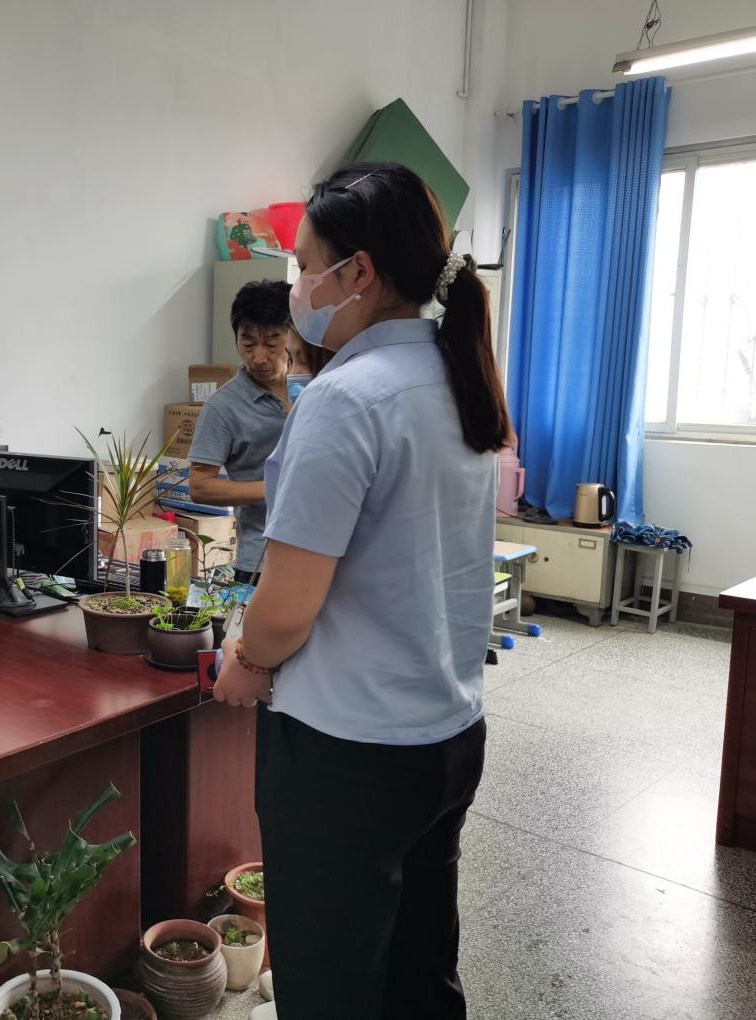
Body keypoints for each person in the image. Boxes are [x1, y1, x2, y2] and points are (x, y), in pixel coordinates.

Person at [213, 162, 511, 1019]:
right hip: (447, 731)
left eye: (307, 265)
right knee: (420, 970)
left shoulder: (345, 399)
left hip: (348, 756)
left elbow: (286, 608)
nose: (296, 287)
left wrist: (244, 662)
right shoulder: (458, 377)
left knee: (331, 985)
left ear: (360, 272)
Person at [187, 280, 294, 583]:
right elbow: (200, 486)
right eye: (248, 344)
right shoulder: (222, 407)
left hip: (324, 551)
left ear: (294, 335)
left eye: (272, 343)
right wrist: (277, 488)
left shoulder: (319, 385)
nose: (259, 357)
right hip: (260, 561)